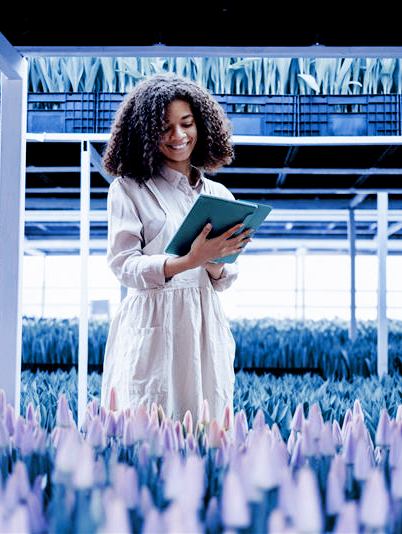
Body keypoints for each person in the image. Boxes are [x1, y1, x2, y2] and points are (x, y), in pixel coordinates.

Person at [100, 74, 251, 422]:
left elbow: (226, 276)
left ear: (201, 125)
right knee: (148, 423)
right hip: (152, 321)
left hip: (203, 322)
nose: (178, 136)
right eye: (165, 127)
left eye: (187, 123)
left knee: (206, 423)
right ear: (145, 132)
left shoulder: (218, 195)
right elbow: (124, 265)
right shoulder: (128, 189)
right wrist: (188, 261)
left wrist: (212, 262)